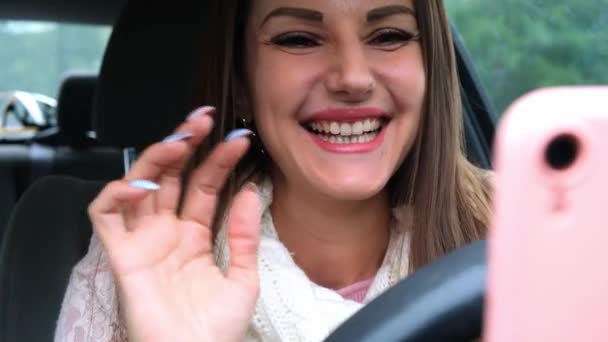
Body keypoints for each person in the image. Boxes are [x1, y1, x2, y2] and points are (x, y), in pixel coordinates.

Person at [54, 0, 492, 341]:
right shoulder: (140, 270)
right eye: (299, 39)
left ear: (430, 68)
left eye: (389, 34)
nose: (353, 77)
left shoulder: (521, 229)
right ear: (242, 86)